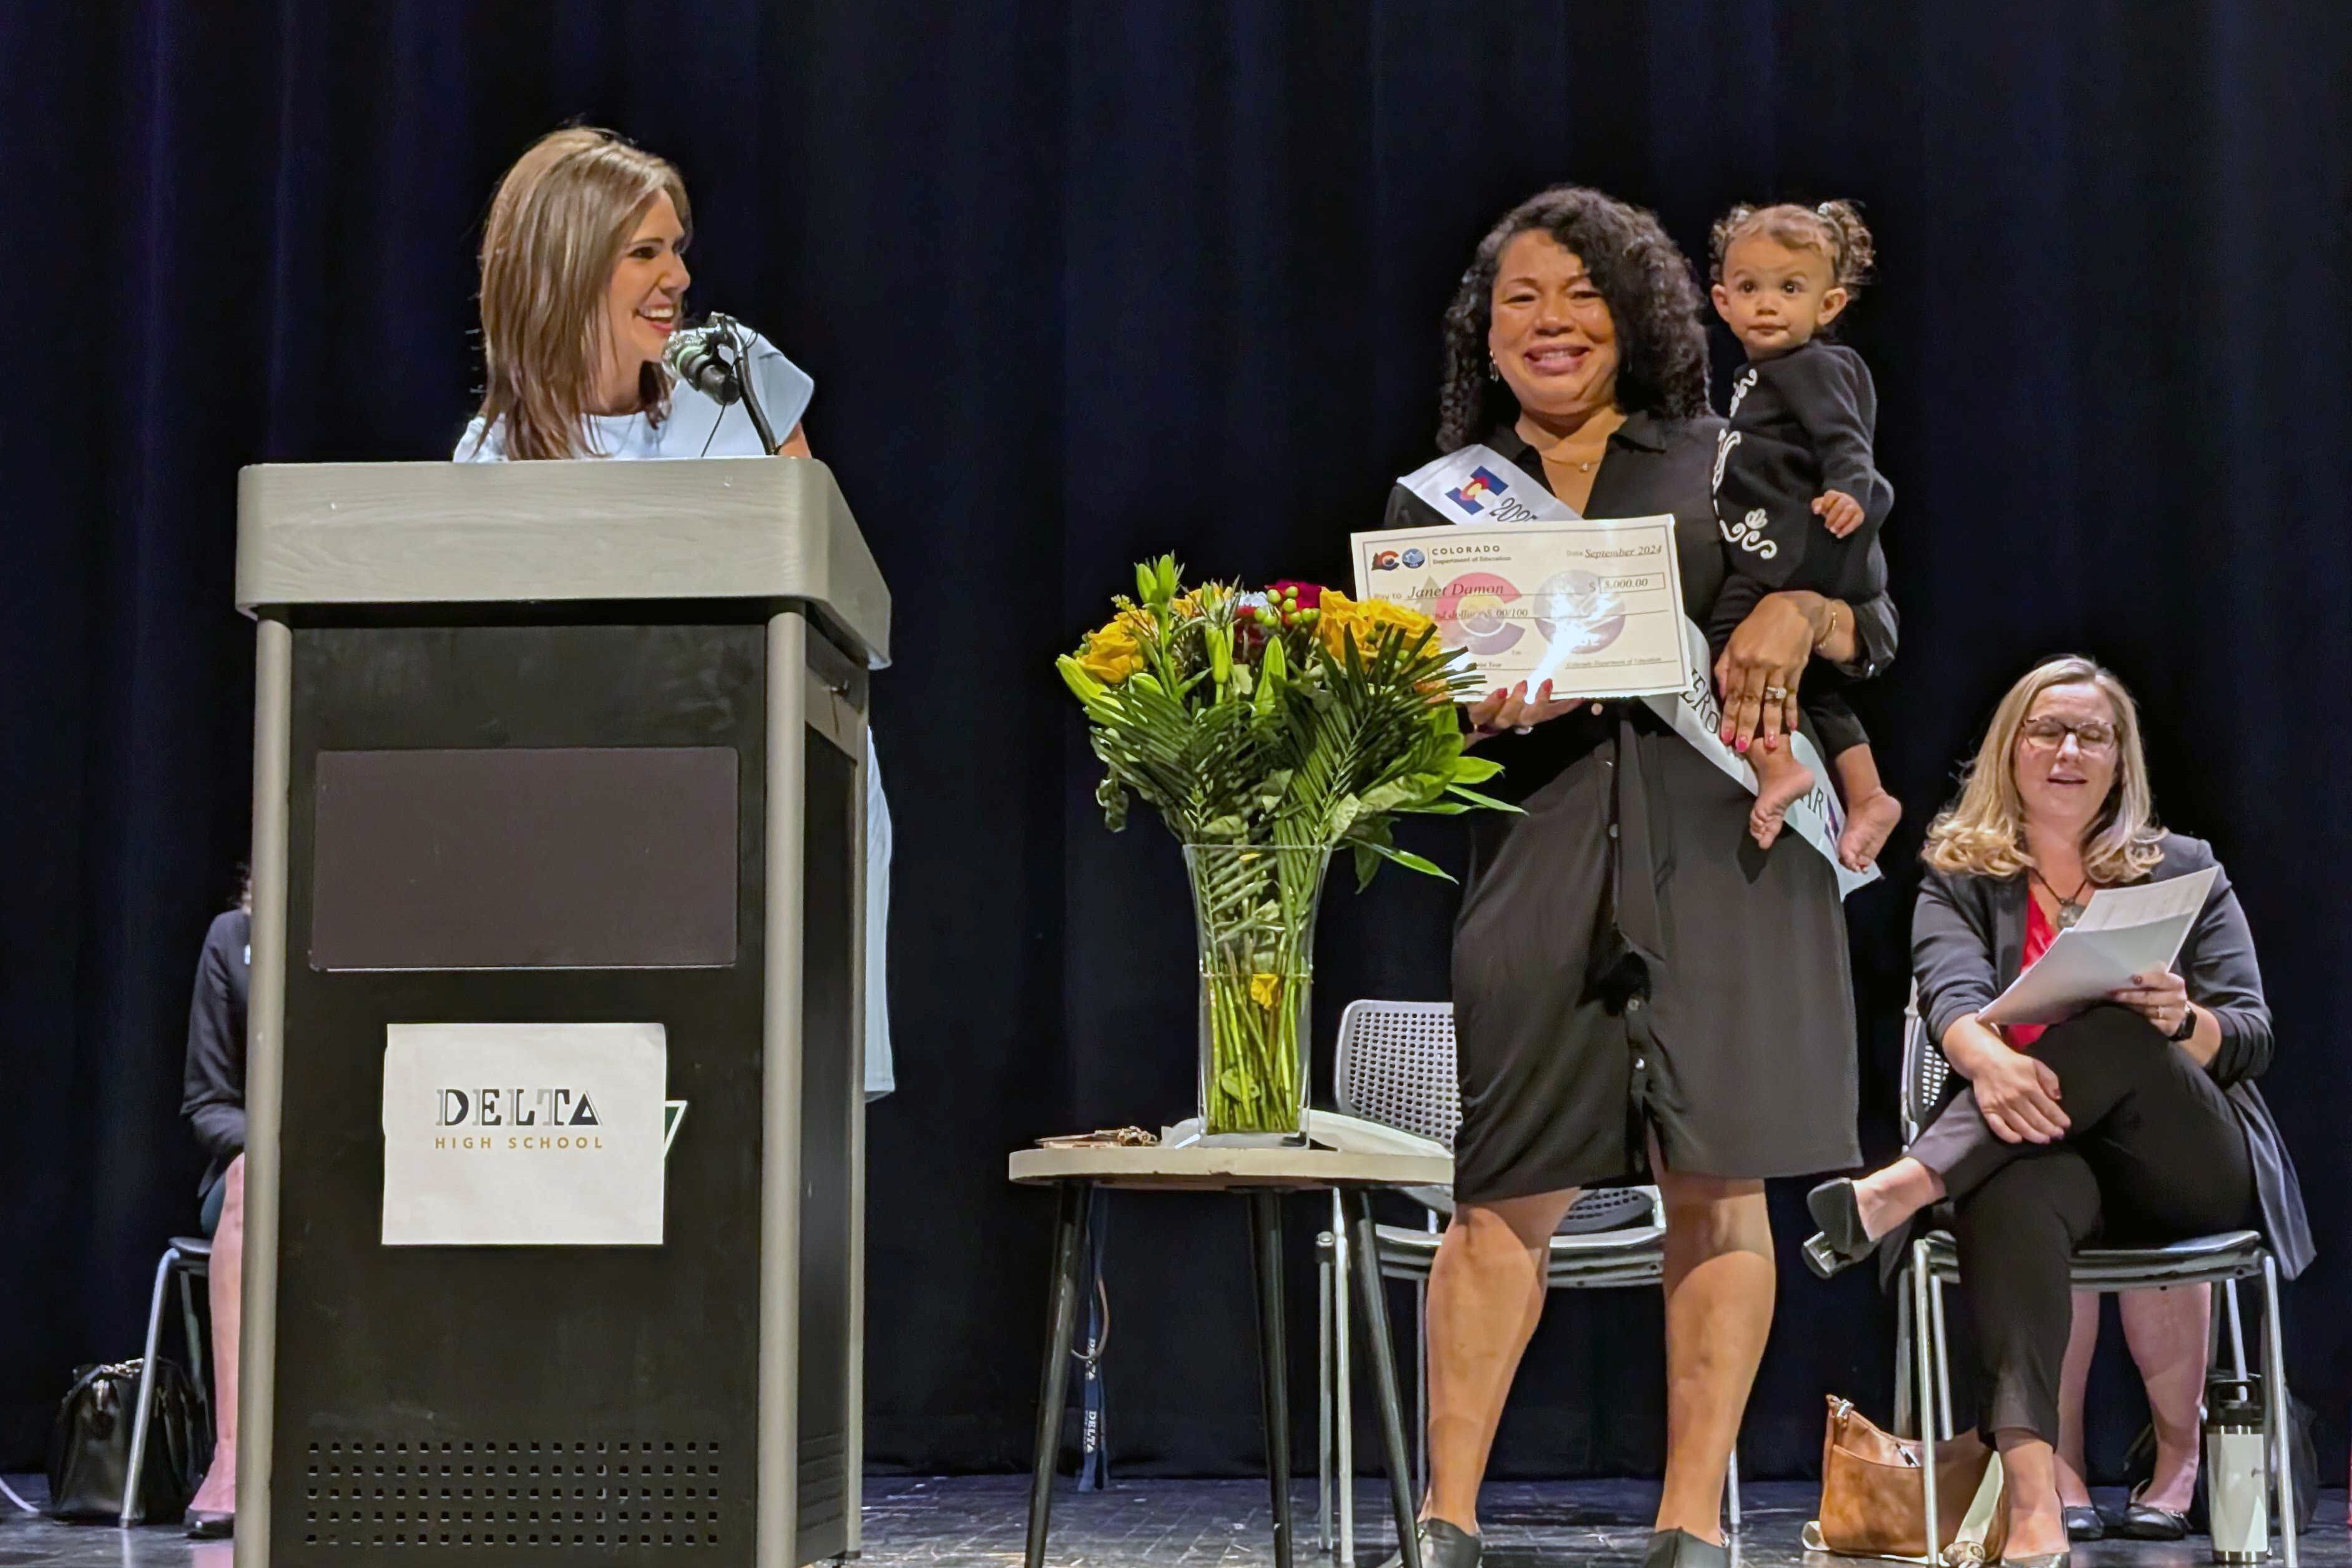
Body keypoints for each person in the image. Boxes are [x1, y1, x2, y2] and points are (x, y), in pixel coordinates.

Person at [1381, 185, 1896, 1568]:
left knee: (1719, 1186)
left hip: (1730, 850)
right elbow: (1399, 723)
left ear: (1643, 313)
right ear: (1483, 336)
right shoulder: (1442, 505)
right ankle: (1447, 1518)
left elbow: (1874, 621)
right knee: (1501, 1196)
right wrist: (1466, 712)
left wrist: (1802, 606)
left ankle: (1688, 1524)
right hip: (1539, 861)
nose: (1551, 324)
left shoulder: (1732, 454)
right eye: (1521, 302)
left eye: (1581, 295)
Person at [1800, 655, 2311, 1564]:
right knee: (2015, 1194)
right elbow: (1953, 1004)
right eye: (2047, 730)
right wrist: (1990, 1064)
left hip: (2181, 1158)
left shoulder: (2183, 869)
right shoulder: (1959, 875)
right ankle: (2039, 1502)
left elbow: (2253, 1033)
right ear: (2012, 748)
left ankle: (1908, 1185)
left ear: (2121, 760)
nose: (2068, 750)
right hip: (2033, 1148)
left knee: (2118, 1024)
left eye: (2093, 735)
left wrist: (2180, 1021)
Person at [457, 126, 893, 1099]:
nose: (677, 278)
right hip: (603, 831)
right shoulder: (493, 463)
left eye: (679, 249)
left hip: (778, 794)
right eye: (644, 253)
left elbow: (828, 572)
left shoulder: (733, 382)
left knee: (782, 1109)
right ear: (566, 272)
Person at [1705, 200, 1900, 870]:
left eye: (1790, 289)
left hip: (1796, 550)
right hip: (1786, 547)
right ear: (1722, 301)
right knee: (1813, 685)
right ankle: (1868, 793)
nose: (1767, 305)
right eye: (1751, 288)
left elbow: (1847, 442)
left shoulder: (1815, 366)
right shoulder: (1762, 378)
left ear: (1829, 303)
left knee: (1731, 651)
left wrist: (1851, 492)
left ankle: (1778, 766)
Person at [179, 873, 252, 1538]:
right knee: (252, 1178)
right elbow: (207, 1104)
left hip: (363, 1165)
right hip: (249, 1178)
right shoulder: (232, 939)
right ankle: (230, 1453)